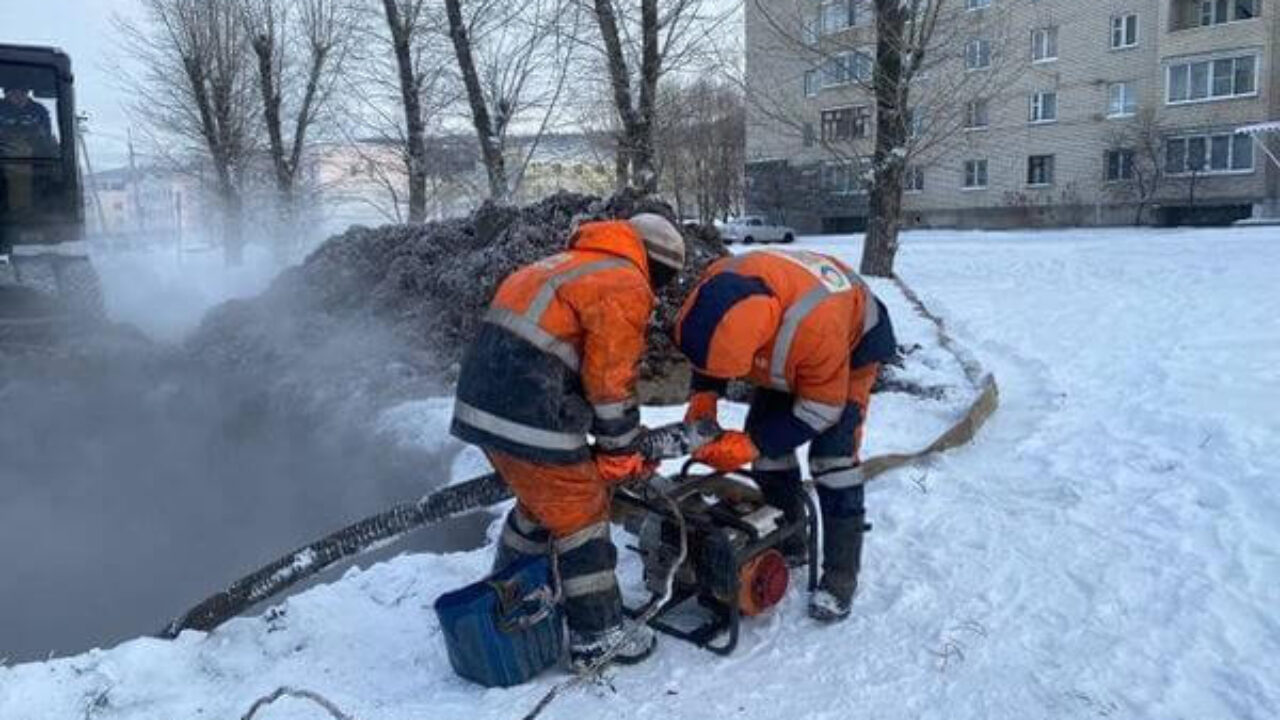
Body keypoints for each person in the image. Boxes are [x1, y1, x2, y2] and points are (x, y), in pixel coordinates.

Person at [451, 212, 685, 670]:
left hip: (483, 408)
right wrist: (622, 448)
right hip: (529, 411)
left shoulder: (563, 263)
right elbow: (609, 382)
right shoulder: (624, 282)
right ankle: (598, 638)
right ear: (659, 266)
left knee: (542, 505)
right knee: (582, 510)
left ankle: (510, 594)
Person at [673, 248, 896, 622]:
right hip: (790, 347)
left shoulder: (815, 328)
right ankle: (790, 538)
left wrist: (751, 443)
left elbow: (821, 409)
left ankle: (840, 578)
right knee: (769, 453)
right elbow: (710, 345)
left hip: (850, 347)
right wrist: (704, 396)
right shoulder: (717, 286)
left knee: (833, 461)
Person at [0, 85, 54, 156]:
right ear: (6, 94)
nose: (19, 98)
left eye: (22, 93)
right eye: (14, 93)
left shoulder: (39, 111)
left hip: (34, 155)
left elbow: (46, 135)